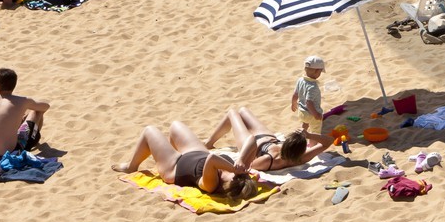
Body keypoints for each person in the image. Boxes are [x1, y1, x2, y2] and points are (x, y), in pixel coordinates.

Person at [112, 122, 257, 198]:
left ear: (230, 183)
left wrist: (234, 167)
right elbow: (252, 140)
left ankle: (132, 166)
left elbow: (212, 159)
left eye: (235, 176)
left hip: (174, 167)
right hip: (197, 153)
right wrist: (242, 159)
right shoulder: (239, 173)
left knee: (149, 131)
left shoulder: (211, 184)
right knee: (176, 126)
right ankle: (164, 151)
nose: (237, 174)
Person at [207, 106, 332, 174]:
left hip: (253, 144)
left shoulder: (269, 160)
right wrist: (309, 135)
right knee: (243, 111)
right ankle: (209, 142)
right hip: (269, 139)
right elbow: (328, 141)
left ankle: (208, 143)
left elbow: (250, 165)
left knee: (233, 113)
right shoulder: (302, 157)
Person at [0, 68, 50, 160]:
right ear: (14, 85)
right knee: (36, 111)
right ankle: (33, 139)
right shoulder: (23, 101)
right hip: (10, 156)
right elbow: (46, 106)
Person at [291, 56, 325, 133]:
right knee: (315, 130)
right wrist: (316, 114)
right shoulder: (313, 86)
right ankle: (313, 144)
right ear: (316, 71)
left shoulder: (300, 80)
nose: (320, 74)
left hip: (301, 112)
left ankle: (301, 135)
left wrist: (293, 104)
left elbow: (295, 94)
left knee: (305, 123)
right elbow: (308, 102)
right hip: (311, 113)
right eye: (320, 72)